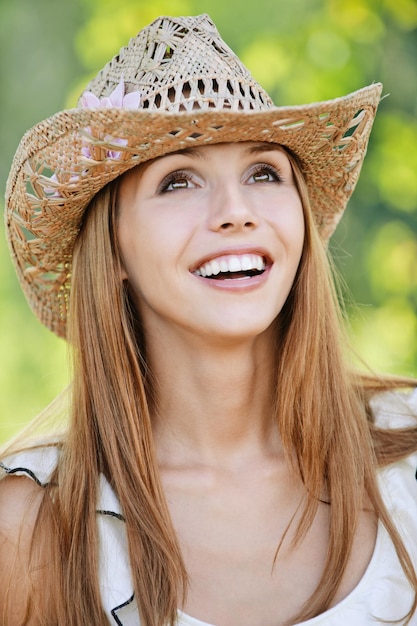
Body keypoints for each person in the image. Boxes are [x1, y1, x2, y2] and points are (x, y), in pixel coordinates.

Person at [1, 12, 416, 626]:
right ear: (112, 249)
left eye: (264, 172)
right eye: (178, 181)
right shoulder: (31, 526)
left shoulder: (409, 459)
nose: (236, 211)